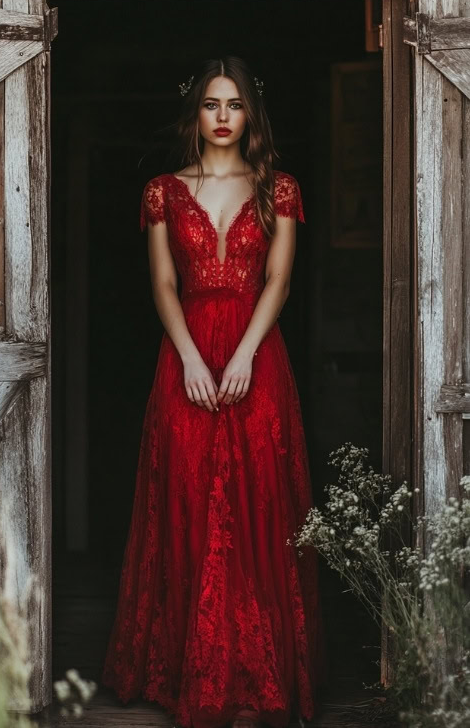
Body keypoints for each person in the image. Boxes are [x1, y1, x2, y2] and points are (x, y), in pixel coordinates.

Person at [102, 56, 327, 728]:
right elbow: (164, 287)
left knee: (258, 504)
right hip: (187, 358)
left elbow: (279, 283)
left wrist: (247, 354)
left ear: (250, 113)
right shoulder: (161, 191)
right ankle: (187, 671)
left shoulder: (278, 187)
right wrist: (192, 358)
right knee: (187, 501)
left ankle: (257, 674)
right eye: (211, 104)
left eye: (233, 104)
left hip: (258, 358)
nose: (223, 116)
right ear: (194, 114)